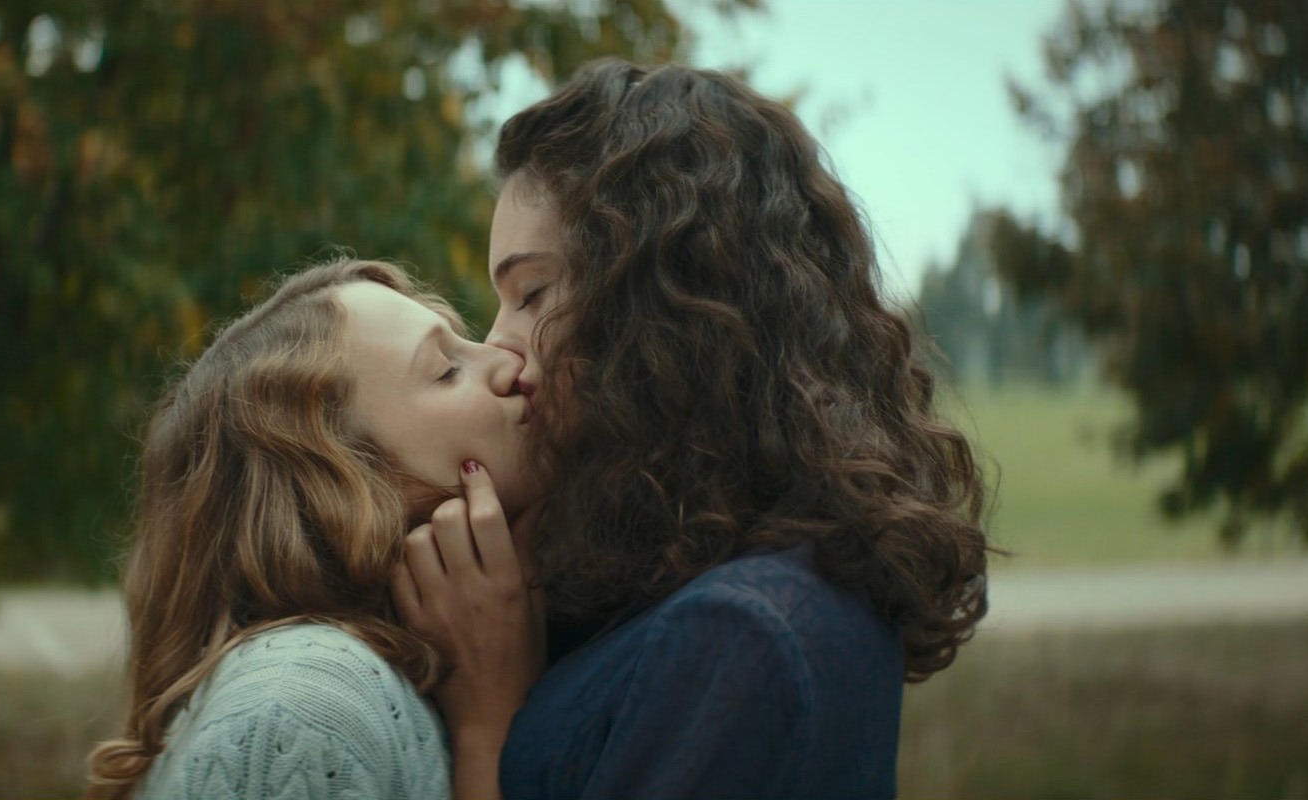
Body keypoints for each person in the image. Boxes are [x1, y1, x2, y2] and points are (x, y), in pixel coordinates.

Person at [396, 59, 993, 799]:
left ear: (663, 304)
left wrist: (487, 721)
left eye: (532, 293)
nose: (497, 347)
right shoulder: (701, 568)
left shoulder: (740, 635)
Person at [85, 258, 541, 800]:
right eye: (446, 370)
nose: (507, 361)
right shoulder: (301, 709)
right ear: (345, 487)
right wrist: (489, 729)